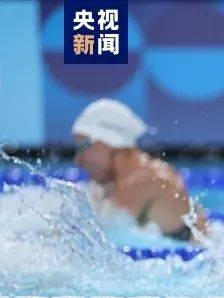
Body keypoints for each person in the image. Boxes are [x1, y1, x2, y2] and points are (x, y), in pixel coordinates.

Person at [72, 98, 207, 241]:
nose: (78, 159)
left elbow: (98, 232)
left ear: (107, 141)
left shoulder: (150, 180)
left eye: (82, 147)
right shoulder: (117, 183)